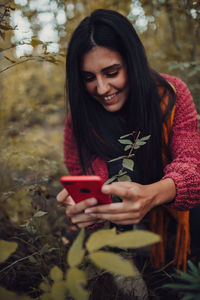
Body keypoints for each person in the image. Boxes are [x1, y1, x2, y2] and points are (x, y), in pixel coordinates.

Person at [57, 9, 200, 269]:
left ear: (132, 62)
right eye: (89, 78)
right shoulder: (79, 121)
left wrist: (152, 194)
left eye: (111, 72)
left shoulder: (173, 94)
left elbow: (192, 167)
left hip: (180, 213)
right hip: (123, 229)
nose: (101, 89)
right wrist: (88, 209)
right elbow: (92, 187)